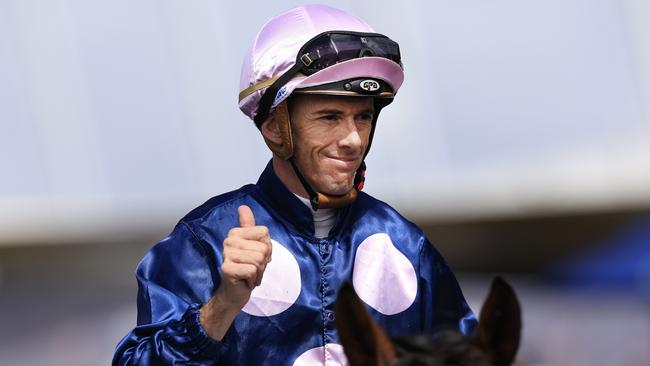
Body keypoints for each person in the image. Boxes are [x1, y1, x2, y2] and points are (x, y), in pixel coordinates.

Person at [113, 4, 476, 365]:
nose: (353, 139)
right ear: (274, 127)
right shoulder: (203, 240)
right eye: (330, 117)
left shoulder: (405, 243)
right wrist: (222, 305)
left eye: (362, 116)